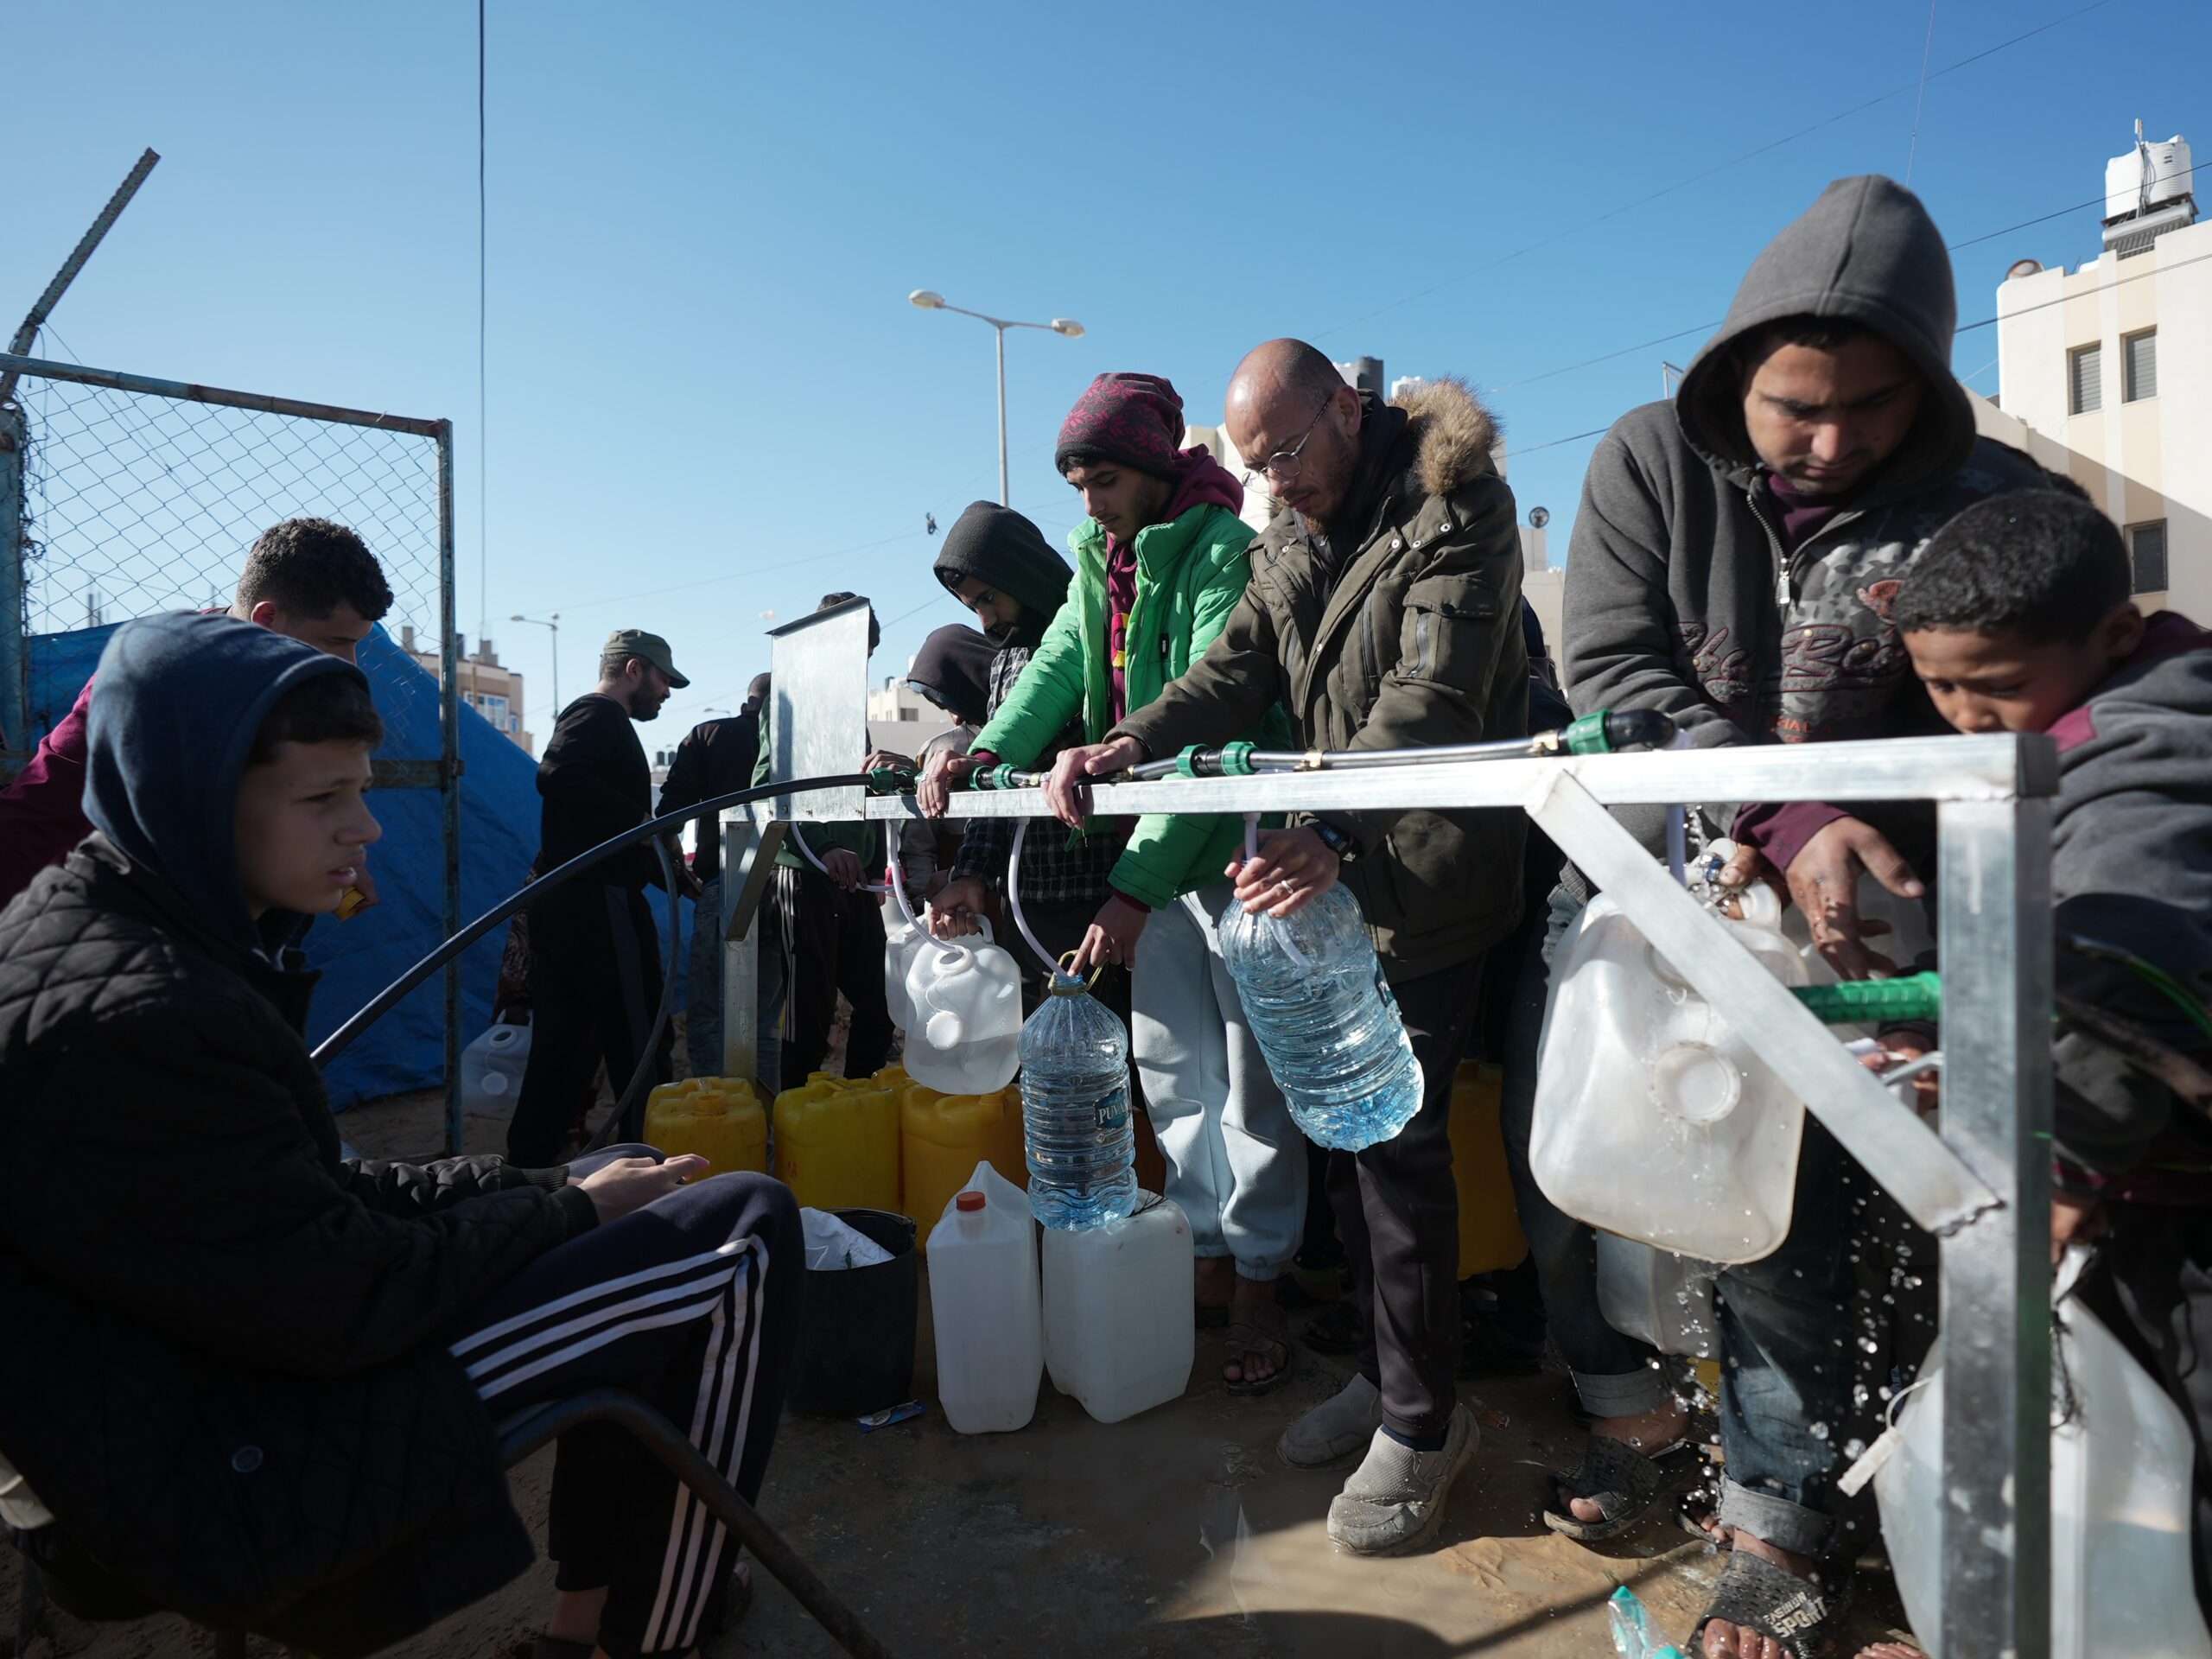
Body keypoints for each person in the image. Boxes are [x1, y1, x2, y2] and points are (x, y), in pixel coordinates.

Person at [0, 613, 798, 1659]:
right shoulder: (146, 1010)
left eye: (361, 790)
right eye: (323, 798)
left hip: (219, 1379)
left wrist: (553, 1188)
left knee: (620, 1169)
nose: (366, 829)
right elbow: (339, 1293)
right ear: (193, 797)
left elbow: (298, 1197)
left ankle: (581, 1621)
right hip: (228, 1464)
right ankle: (657, 1637)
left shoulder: (119, 929)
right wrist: (557, 1210)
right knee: (738, 1234)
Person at [1559, 175, 2049, 1657]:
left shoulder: (1993, 497)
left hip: (1897, 930)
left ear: (1927, 394)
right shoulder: (1648, 464)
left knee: (1905, 1222)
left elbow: (2063, 660)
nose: (1830, 440)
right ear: (1732, 381)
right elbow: (1614, 677)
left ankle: (1863, 1525)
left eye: (1871, 408)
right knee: (1700, 1203)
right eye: (1793, 407)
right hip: (1687, 907)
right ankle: (1732, 1491)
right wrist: (1786, 819)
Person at [1046, 342, 1528, 1552]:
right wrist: (1130, 744)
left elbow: (1432, 697)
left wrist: (1323, 821)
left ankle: (1425, 1427)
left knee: (1400, 1153)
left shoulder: (1457, 508)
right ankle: (1380, 1376)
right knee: (1346, 1146)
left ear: (1348, 411)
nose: (1275, 484)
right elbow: (1238, 665)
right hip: (1344, 876)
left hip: (1432, 875)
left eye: (1288, 455)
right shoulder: (1292, 537)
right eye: (1255, 468)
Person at [920, 375, 1306, 1391]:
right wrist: (979, 753)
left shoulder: (1222, 548)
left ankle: (1264, 1272)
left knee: (1250, 1081)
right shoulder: (1104, 562)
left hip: (1234, 850)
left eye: (1104, 481)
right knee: (1174, 1065)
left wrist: (1131, 887)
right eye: (1078, 485)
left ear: (1151, 467)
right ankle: (1206, 1250)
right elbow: (1054, 669)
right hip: (1155, 843)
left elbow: (1210, 724)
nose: (1088, 504)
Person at [1878, 488, 2212, 1649]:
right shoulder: (2078, 724)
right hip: (2145, 1174)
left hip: (2173, 1197)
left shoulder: (2141, 752)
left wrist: (2055, 1180)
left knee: (2184, 1465)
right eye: (1939, 685)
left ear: (2115, 636)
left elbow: (2131, 974)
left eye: (1995, 686)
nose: (1967, 718)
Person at [0, 514, 394, 908]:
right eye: (335, 641)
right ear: (266, 619)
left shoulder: (273, 680)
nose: (351, 664)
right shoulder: (164, 680)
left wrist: (342, 885)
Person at [923, 500, 1116, 1009]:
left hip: (1102, 892)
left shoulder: (1091, 632)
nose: (986, 618)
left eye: (989, 597)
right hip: (1027, 895)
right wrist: (971, 874)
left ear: (1020, 573)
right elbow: (999, 785)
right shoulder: (1008, 658)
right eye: (973, 608)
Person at [510, 628, 690, 1166]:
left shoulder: (603, 723)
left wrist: (665, 871)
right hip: (594, 910)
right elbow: (557, 775)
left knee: (572, 1046)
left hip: (588, 903)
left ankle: (537, 1165)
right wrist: (640, 823)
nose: (667, 692)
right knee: (636, 1041)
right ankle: (641, 1163)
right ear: (634, 669)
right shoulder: (596, 716)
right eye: (663, 679)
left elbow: (594, 827)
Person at [751, 593, 894, 1083]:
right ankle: (796, 1118)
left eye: (868, 655)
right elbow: (769, 789)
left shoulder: (851, 711)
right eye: (857, 651)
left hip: (852, 882)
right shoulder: (787, 701)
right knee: (807, 1014)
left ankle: (859, 1102)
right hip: (803, 875)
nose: (863, 664)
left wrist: (872, 869)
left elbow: (860, 801)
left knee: (880, 1001)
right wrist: (822, 848)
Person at [655, 672, 769, 1078]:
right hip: (787, 889)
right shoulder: (799, 742)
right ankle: (769, 1114)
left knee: (710, 1009)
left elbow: (669, 817)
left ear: (747, 702)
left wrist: (676, 869)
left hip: (721, 885)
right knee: (772, 1017)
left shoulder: (709, 734)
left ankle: (714, 1105)